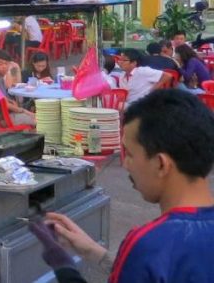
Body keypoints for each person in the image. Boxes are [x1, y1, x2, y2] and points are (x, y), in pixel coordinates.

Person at [30, 88, 214, 283]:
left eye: (130, 155)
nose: (126, 165)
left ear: (161, 164)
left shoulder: (149, 244)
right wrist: (93, 251)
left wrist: (62, 263)